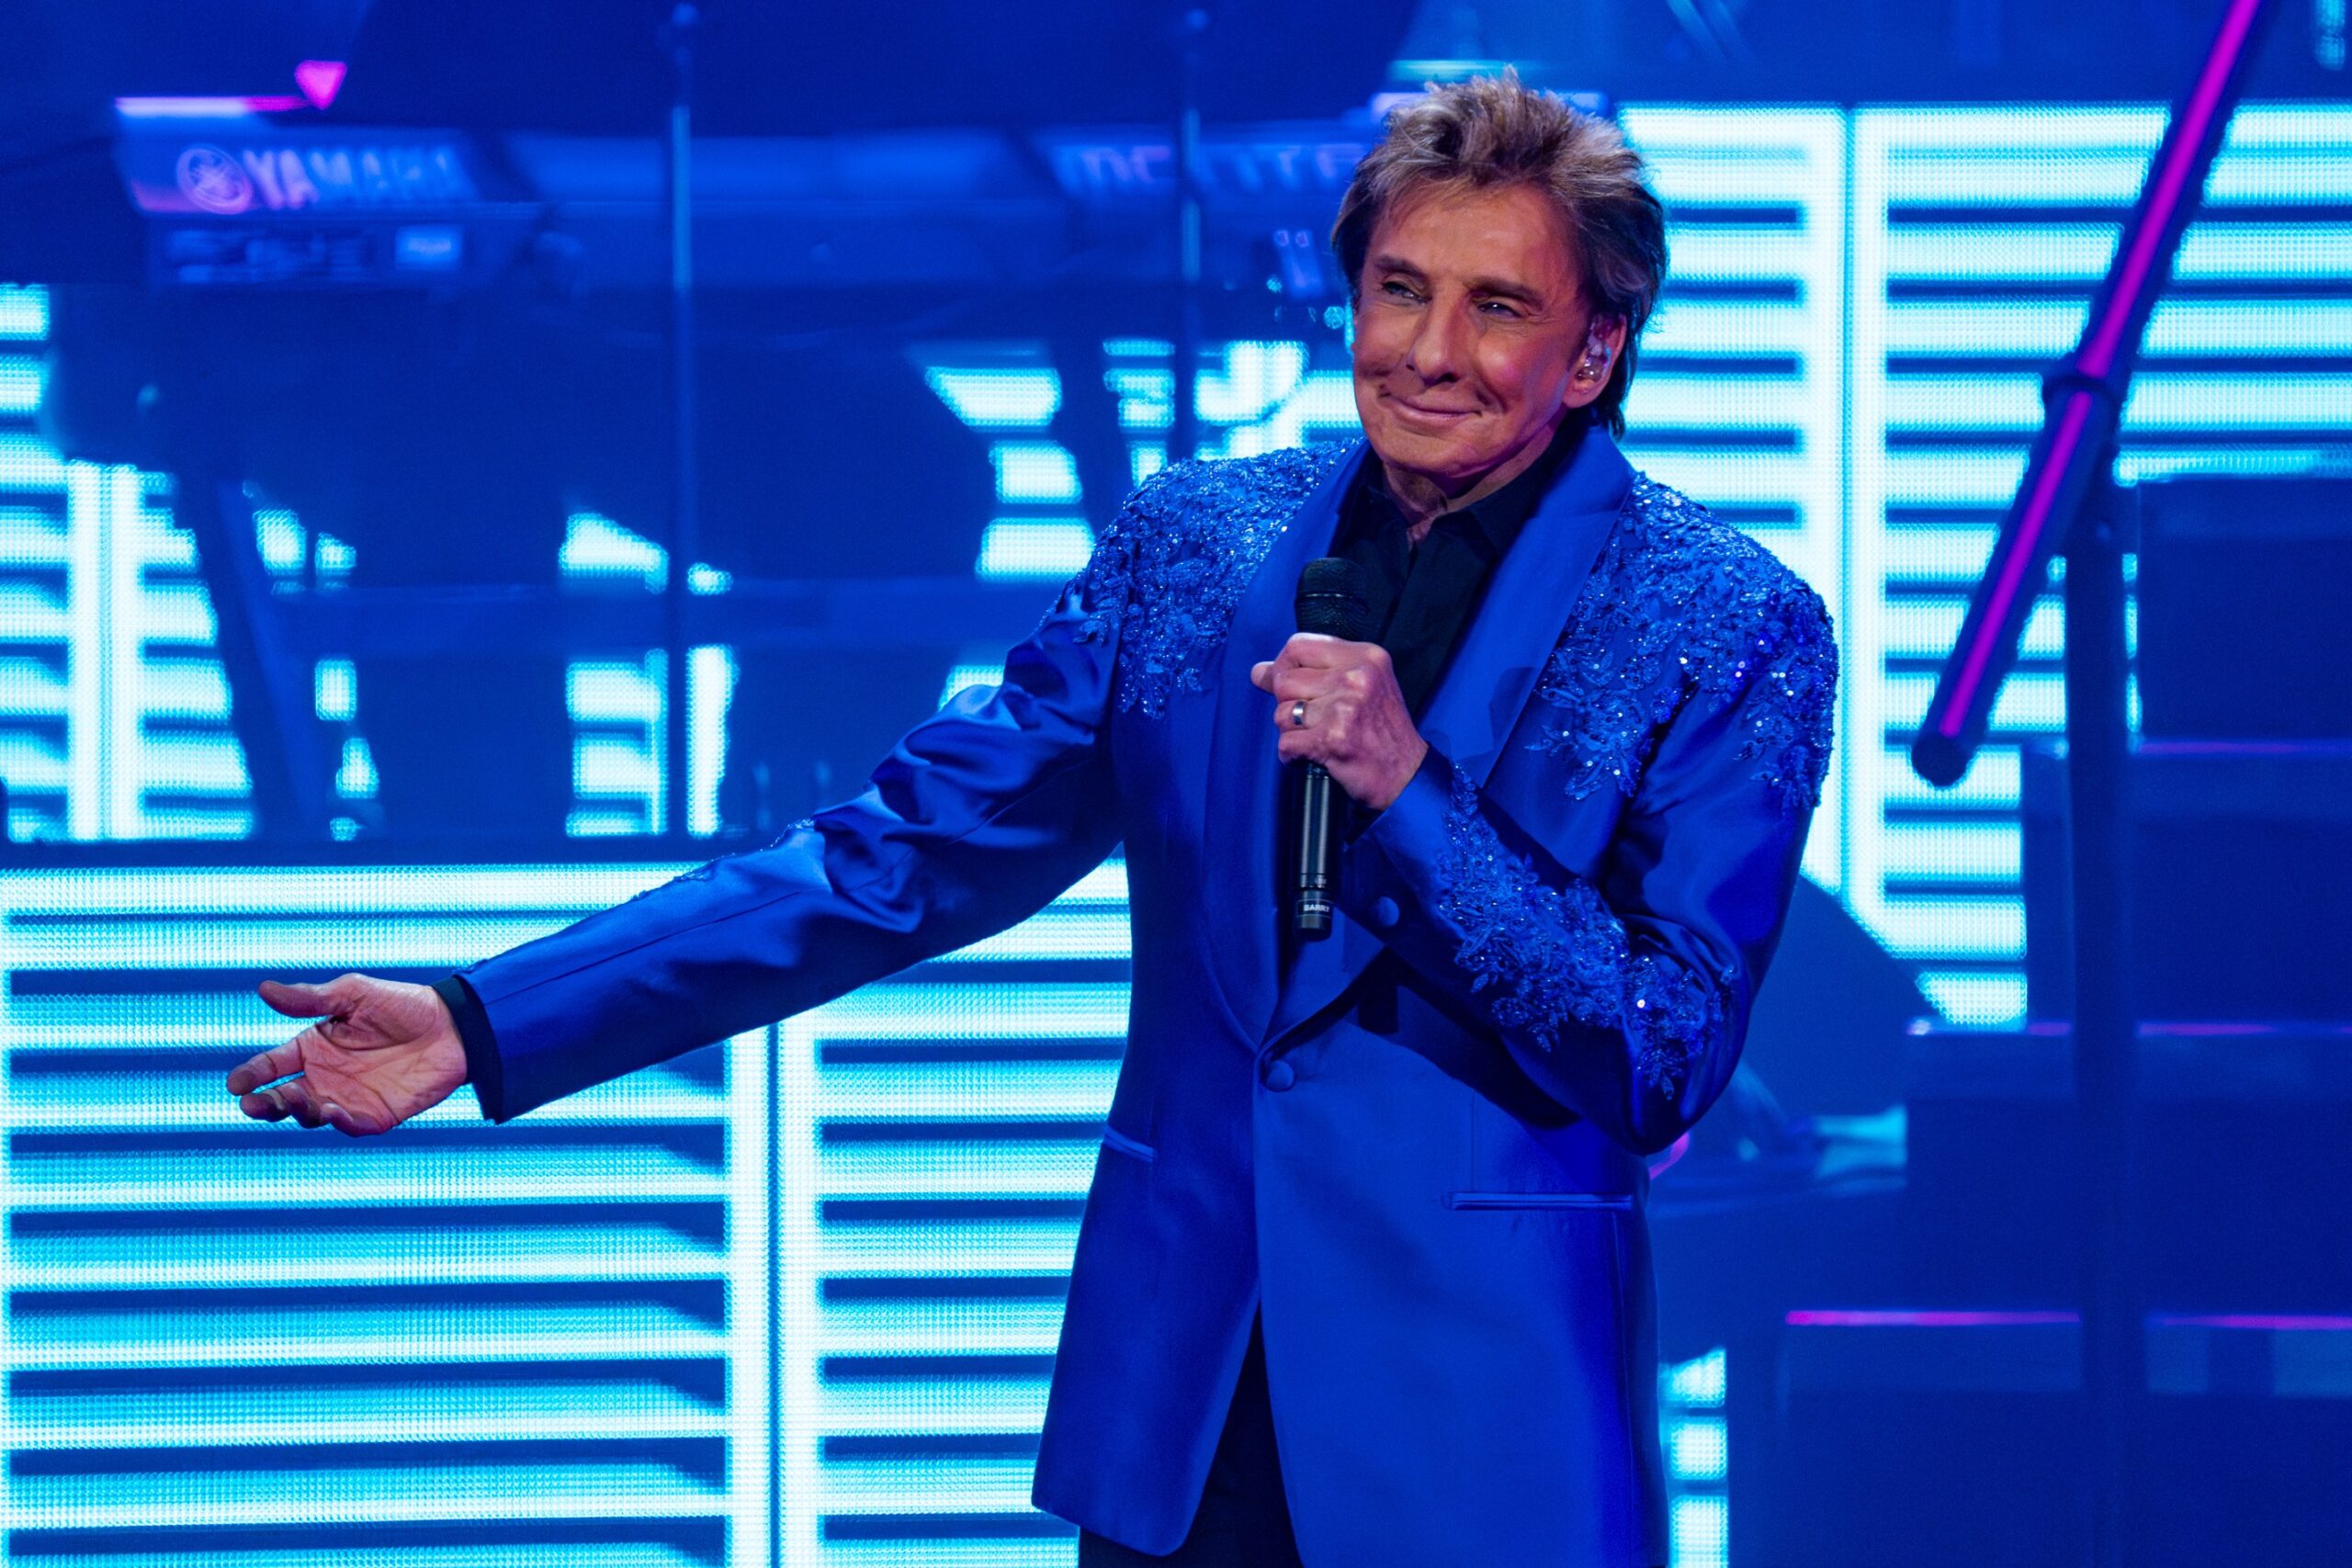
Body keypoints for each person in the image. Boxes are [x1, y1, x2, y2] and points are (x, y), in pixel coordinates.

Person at [227, 74, 1835, 1567]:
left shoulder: (1723, 620)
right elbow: (895, 858)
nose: (1427, 349)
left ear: (1593, 352)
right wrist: (490, 1018)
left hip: (1482, 1443)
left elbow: (1660, 1051)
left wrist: (1411, 797)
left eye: (1498, 308)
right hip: (1180, 1416)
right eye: (1400, 289)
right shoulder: (1198, 544)